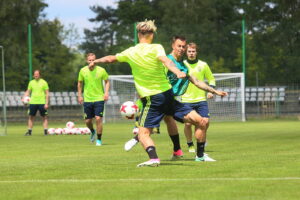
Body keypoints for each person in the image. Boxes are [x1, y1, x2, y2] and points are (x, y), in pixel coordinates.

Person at [91, 20, 223, 167]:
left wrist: (96, 61)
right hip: (167, 95)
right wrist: (177, 71)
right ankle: (199, 155)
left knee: (143, 134)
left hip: (153, 98)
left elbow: (110, 59)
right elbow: (166, 61)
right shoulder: (156, 47)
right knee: (201, 121)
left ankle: (153, 158)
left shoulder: (130, 52)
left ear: (138, 34)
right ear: (152, 34)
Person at [164, 36, 227, 162]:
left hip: (172, 101)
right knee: (146, 130)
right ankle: (140, 135)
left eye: (183, 46)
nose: (182, 49)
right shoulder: (166, 60)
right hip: (160, 99)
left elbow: (197, 82)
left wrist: (214, 91)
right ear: (173, 46)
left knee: (202, 122)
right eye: (179, 46)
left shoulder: (184, 66)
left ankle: (199, 155)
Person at [182, 42, 216, 154]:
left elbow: (211, 79)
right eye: (189, 51)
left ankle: (201, 142)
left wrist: (211, 90)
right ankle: (190, 144)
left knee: (205, 122)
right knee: (187, 124)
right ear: (186, 53)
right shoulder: (182, 65)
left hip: (201, 99)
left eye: (193, 51)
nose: (191, 53)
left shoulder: (203, 65)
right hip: (186, 100)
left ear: (196, 52)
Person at [77, 53, 110, 146]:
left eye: (93, 60)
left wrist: (106, 93)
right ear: (87, 61)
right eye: (90, 60)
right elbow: (79, 83)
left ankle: (99, 140)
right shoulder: (82, 71)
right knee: (88, 121)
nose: (91, 62)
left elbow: (107, 82)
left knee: (98, 118)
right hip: (87, 99)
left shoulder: (101, 70)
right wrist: (79, 95)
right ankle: (92, 131)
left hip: (99, 98)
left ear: (96, 60)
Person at [23, 70, 49, 136]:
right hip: (33, 102)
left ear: (40, 75)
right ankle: (29, 132)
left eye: (37, 74)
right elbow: (28, 92)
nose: (36, 75)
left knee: (44, 117)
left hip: (42, 102)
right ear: (33, 75)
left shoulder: (44, 82)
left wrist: (46, 103)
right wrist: (24, 97)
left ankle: (45, 132)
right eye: (35, 74)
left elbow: (47, 93)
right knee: (31, 117)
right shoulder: (31, 82)